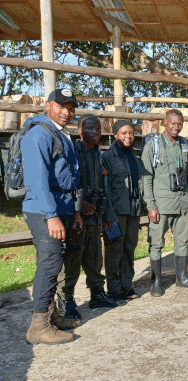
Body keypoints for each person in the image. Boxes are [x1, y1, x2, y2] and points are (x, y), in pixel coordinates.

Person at [22, 88, 83, 344]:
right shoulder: (38, 133)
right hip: (43, 208)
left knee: (55, 262)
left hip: (63, 206)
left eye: (70, 108)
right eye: (61, 106)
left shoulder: (61, 134)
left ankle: (52, 315)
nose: (66, 112)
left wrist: (75, 211)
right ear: (48, 106)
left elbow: (69, 176)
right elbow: (36, 180)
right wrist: (51, 216)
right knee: (49, 264)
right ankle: (38, 326)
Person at [57, 115, 117, 319]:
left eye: (99, 128)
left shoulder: (99, 153)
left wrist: (105, 212)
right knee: (72, 257)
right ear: (80, 130)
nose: (96, 131)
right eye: (90, 128)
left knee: (94, 257)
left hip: (95, 215)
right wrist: (78, 205)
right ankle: (67, 300)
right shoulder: (73, 151)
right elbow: (66, 182)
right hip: (76, 215)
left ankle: (97, 293)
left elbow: (104, 186)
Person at [141, 109, 188, 296]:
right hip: (162, 204)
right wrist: (151, 205)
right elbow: (146, 177)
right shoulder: (154, 145)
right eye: (173, 123)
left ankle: (181, 278)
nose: (176, 127)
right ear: (165, 122)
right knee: (156, 243)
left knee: (182, 241)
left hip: (182, 202)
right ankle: (156, 282)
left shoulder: (184, 145)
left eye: (179, 124)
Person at [102, 119, 143, 300]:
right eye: (124, 133)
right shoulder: (108, 157)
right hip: (116, 212)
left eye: (131, 133)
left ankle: (127, 284)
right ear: (115, 135)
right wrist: (109, 214)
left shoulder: (134, 156)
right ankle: (114, 287)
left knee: (129, 249)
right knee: (114, 250)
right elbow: (106, 189)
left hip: (133, 211)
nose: (128, 136)